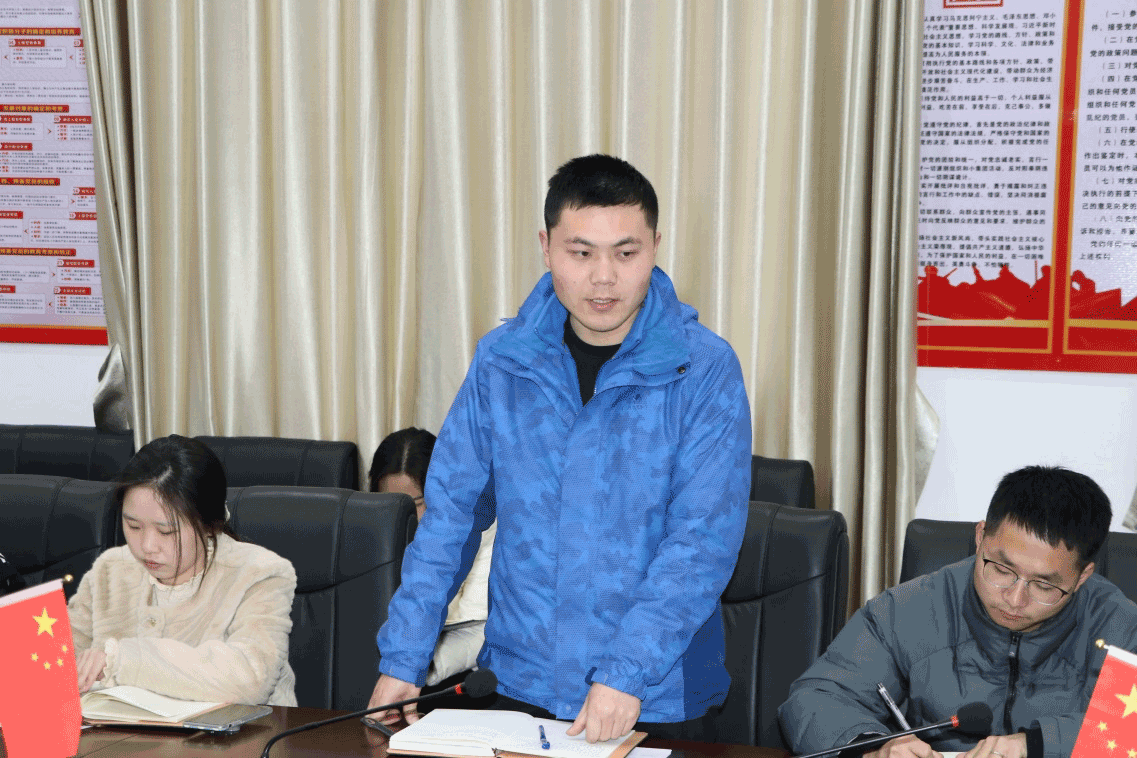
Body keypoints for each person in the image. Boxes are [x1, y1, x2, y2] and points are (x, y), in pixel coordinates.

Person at [368, 154, 752, 743]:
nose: (604, 277)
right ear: (546, 248)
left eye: (626, 253)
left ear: (655, 247)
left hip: (654, 697)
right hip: (521, 686)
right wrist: (404, 655)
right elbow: (450, 518)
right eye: (582, 253)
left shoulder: (703, 370)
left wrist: (626, 673)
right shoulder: (502, 361)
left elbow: (700, 545)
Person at [779, 465, 1137, 758]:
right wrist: (872, 748)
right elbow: (814, 699)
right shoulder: (910, 608)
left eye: (1044, 586)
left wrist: (1036, 745)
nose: (1014, 599)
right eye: (1002, 569)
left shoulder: (1119, 625)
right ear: (980, 537)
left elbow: (1129, 729)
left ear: (1082, 576)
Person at [68, 434, 298, 705]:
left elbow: (251, 680)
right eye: (133, 526)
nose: (147, 546)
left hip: (244, 732)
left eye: (166, 531)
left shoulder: (259, 574)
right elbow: (57, 659)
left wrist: (125, 659)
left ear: (209, 524)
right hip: (117, 732)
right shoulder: (110, 570)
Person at [370, 427, 497, 686]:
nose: (399, 515)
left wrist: (411, 667)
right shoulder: (363, 537)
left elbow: (477, 630)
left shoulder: (483, 531)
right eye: (388, 502)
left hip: (445, 678)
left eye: (413, 503)